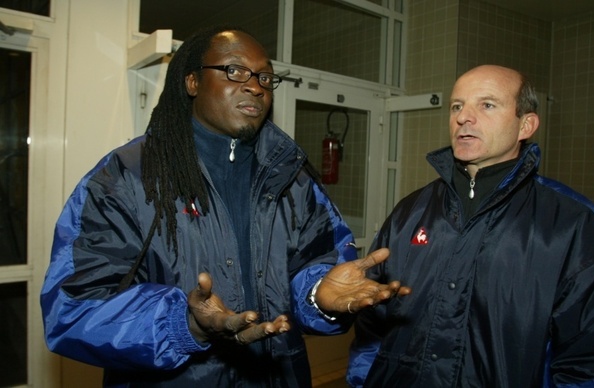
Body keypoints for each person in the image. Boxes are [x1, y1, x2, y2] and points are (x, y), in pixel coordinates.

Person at [40, 25, 409, 387]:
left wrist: (318, 296)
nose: (255, 85)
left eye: (265, 77)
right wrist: (182, 323)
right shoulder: (125, 178)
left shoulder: (294, 180)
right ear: (192, 82)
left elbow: (316, 266)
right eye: (234, 70)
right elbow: (74, 309)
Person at [347, 64, 594, 387]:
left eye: (487, 104)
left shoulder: (573, 224)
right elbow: (372, 324)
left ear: (526, 125)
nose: (464, 117)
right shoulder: (410, 211)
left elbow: (587, 361)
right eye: (457, 106)